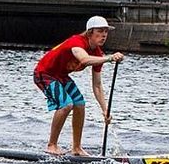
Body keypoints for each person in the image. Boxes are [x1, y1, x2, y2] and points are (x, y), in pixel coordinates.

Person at [33, 15, 124, 156]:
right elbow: (84, 59)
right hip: (44, 73)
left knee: (79, 103)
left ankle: (76, 148)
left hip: (61, 76)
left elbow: (97, 85)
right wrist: (110, 58)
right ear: (89, 33)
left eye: (106, 31)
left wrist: (105, 109)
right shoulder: (76, 42)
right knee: (66, 105)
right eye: (100, 31)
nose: (104, 35)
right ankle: (52, 145)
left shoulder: (98, 54)